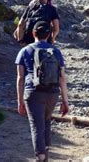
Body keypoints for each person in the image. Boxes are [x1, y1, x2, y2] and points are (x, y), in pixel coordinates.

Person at [16, 21, 69, 162]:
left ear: (33, 33)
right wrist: (65, 101)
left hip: (33, 93)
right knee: (46, 122)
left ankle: (40, 158)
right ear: (49, 35)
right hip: (52, 93)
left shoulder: (25, 51)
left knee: (36, 127)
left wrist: (20, 101)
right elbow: (62, 78)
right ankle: (45, 156)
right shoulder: (56, 52)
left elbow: (20, 78)